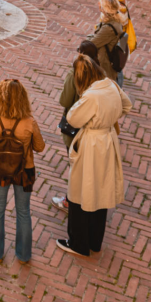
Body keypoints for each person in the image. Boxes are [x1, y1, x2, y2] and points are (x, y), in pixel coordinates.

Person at [56, 55, 132, 257]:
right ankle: (95, 241)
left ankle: (78, 243)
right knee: (101, 190)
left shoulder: (91, 96)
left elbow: (72, 117)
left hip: (91, 144)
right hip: (108, 140)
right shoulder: (111, 85)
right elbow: (127, 105)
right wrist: (109, 117)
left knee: (80, 191)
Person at [0, 78, 45, 265]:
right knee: (23, 211)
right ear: (23, 98)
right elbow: (40, 147)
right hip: (24, 171)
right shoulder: (30, 122)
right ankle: (23, 255)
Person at [52, 41, 101, 212]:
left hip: (75, 129)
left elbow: (64, 101)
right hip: (93, 128)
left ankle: (71, 202)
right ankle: (87, 198)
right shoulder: (100, 73)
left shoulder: (74, 74)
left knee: (75, 169)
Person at [106, 0, 137, 89]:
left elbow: (113, 26)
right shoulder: (121, 2)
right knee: (118, 64)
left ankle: (116, 90)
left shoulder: (117, 7)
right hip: (122, 39)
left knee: (116, 65)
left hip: (115, 41)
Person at [88, 0, 126, 83]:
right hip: (108, 69)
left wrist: (86, 40)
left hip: (106, 72)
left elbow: (92, 44)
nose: (98, 4)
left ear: (105, 8)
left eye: (100, 3)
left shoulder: (109, 28)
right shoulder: (115, 21)